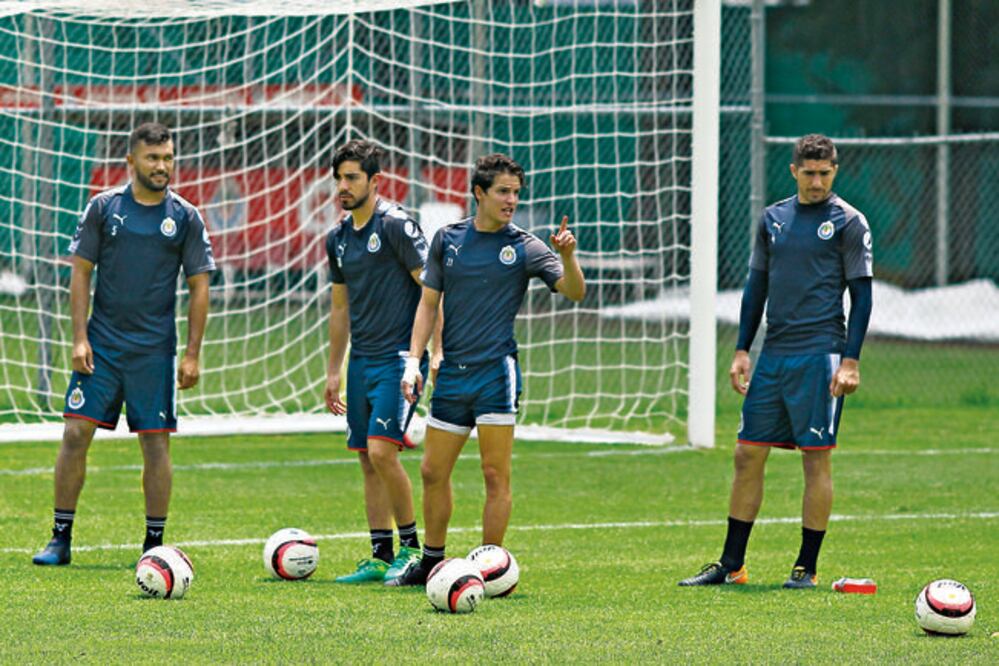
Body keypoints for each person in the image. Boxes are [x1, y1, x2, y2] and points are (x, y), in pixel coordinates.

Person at [678, 133, 873, 589]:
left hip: (821, 354)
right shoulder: (774, 219)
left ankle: (806, 566)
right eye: (809, 173)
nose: (817, 182)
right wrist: (743, 349)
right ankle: (732, 564)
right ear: (793, 171)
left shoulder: (848, 222)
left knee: (815, 460)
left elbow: (862, 298)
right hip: (773, 354)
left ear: (835, 171)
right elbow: (755, 288)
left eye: (825, 173)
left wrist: (851, 361)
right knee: (746, 453)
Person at [387, 153, 586, 587]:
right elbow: (428, 302)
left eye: (516, 192)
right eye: (502, 191)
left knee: (495, 474)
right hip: (453, 375)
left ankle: (489, 566)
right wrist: (414, 360)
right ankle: (431, 562)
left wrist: (567, 257)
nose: (511, 199)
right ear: (480, 193)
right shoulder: (448, 239)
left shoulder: (528, 245)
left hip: (496, 373)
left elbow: (574, 292)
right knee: (432, 471)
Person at [32, 122, 215, 565]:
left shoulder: (186, 216)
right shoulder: (104, 208)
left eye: (168, 157)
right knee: (75, 433)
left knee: (155, 443)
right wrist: (79, 337)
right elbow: (80, 272)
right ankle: (60, 538)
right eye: (153, 158)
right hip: (102, 345)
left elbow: (200, 285)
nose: (163, 166)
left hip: (154, 351)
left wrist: (192, 353)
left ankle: (154, 544)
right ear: (131, 161)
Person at [324, 139, 440, 584]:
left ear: (375, 181)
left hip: (398, 359)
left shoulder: (397, 226)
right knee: (365, 458)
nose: (343, 187)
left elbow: (432, 291)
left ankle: (412, 550)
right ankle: (379, 554)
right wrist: (334, 370)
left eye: (352, 178)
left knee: (381, 451)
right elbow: (340, 309)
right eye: (339, 179)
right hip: (362, 361)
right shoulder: (337, 238)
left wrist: (432, 354)